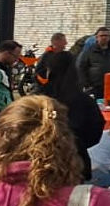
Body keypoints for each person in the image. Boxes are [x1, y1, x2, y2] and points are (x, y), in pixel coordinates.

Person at [36, 51, 105, 179]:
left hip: (42, 160)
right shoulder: (83, 100)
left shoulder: (39, 99)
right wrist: (79, 144)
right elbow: (96, 128)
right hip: (76, 160)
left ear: (49, 70)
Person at [75, 26, 110, 98]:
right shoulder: (89, 52)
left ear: (109, 37)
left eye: (106, 35)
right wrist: (86, 84)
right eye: (101, 36)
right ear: (97, 37)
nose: (104, 37)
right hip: (94, 88)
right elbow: (81, 68)